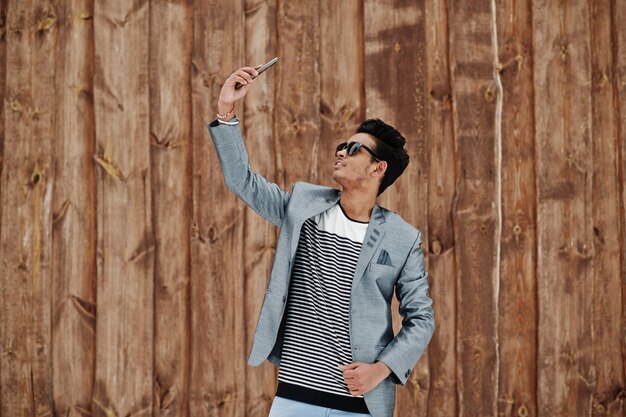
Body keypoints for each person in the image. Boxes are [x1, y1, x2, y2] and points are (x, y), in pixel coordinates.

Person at [207, 65, 434, 417]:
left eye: (354, 149)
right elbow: (243, 182)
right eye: (343, 145)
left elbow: (421, 318)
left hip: (362, 405)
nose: (341, 152)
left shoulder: (402, 238)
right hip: (294, 398)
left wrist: (382, 369)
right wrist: (226, 112)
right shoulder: (303, 205)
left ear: (378, 169)